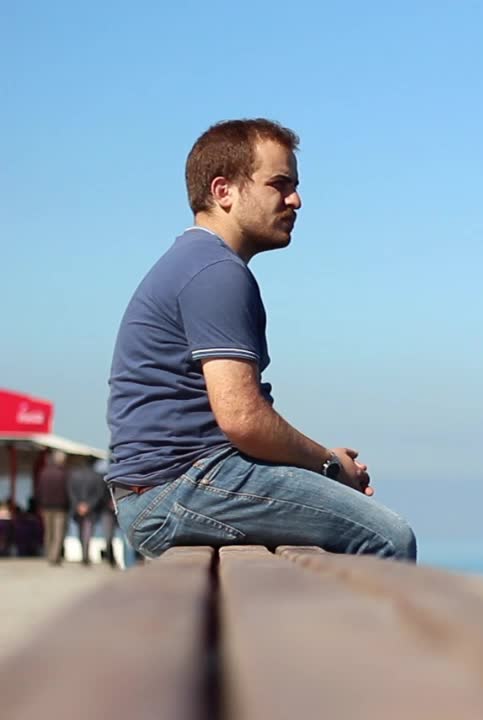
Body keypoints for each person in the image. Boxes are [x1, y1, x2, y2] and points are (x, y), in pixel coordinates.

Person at [106, 119, 416, 561]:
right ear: (223, 191)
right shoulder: (215, 273)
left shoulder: (196, 262)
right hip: (178, 488)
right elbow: (243, 419)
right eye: (279, 184)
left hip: (162, 488)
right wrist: (328, 465)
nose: (296, 200)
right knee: (389, 537)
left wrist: (322, 464)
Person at [68, 456, 110, 566]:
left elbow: (71, 492)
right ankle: (85, 556)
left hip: (78, 509)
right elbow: (99, 494)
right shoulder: (97, 477)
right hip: (91, 510)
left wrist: (78, 505)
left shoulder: (74, 475)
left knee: (80, 532)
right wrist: (88, 505)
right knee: (88, 532)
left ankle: (84, 555)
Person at [35, 451, 70, 565]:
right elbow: (67, 492)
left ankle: (49, 554)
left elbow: (39, 491)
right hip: (60, 507)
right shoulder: (64, 474)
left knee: (48, 532)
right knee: (58, 533)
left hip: (46, 507)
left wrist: (40, 504)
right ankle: (55, 557)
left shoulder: (43, 473)